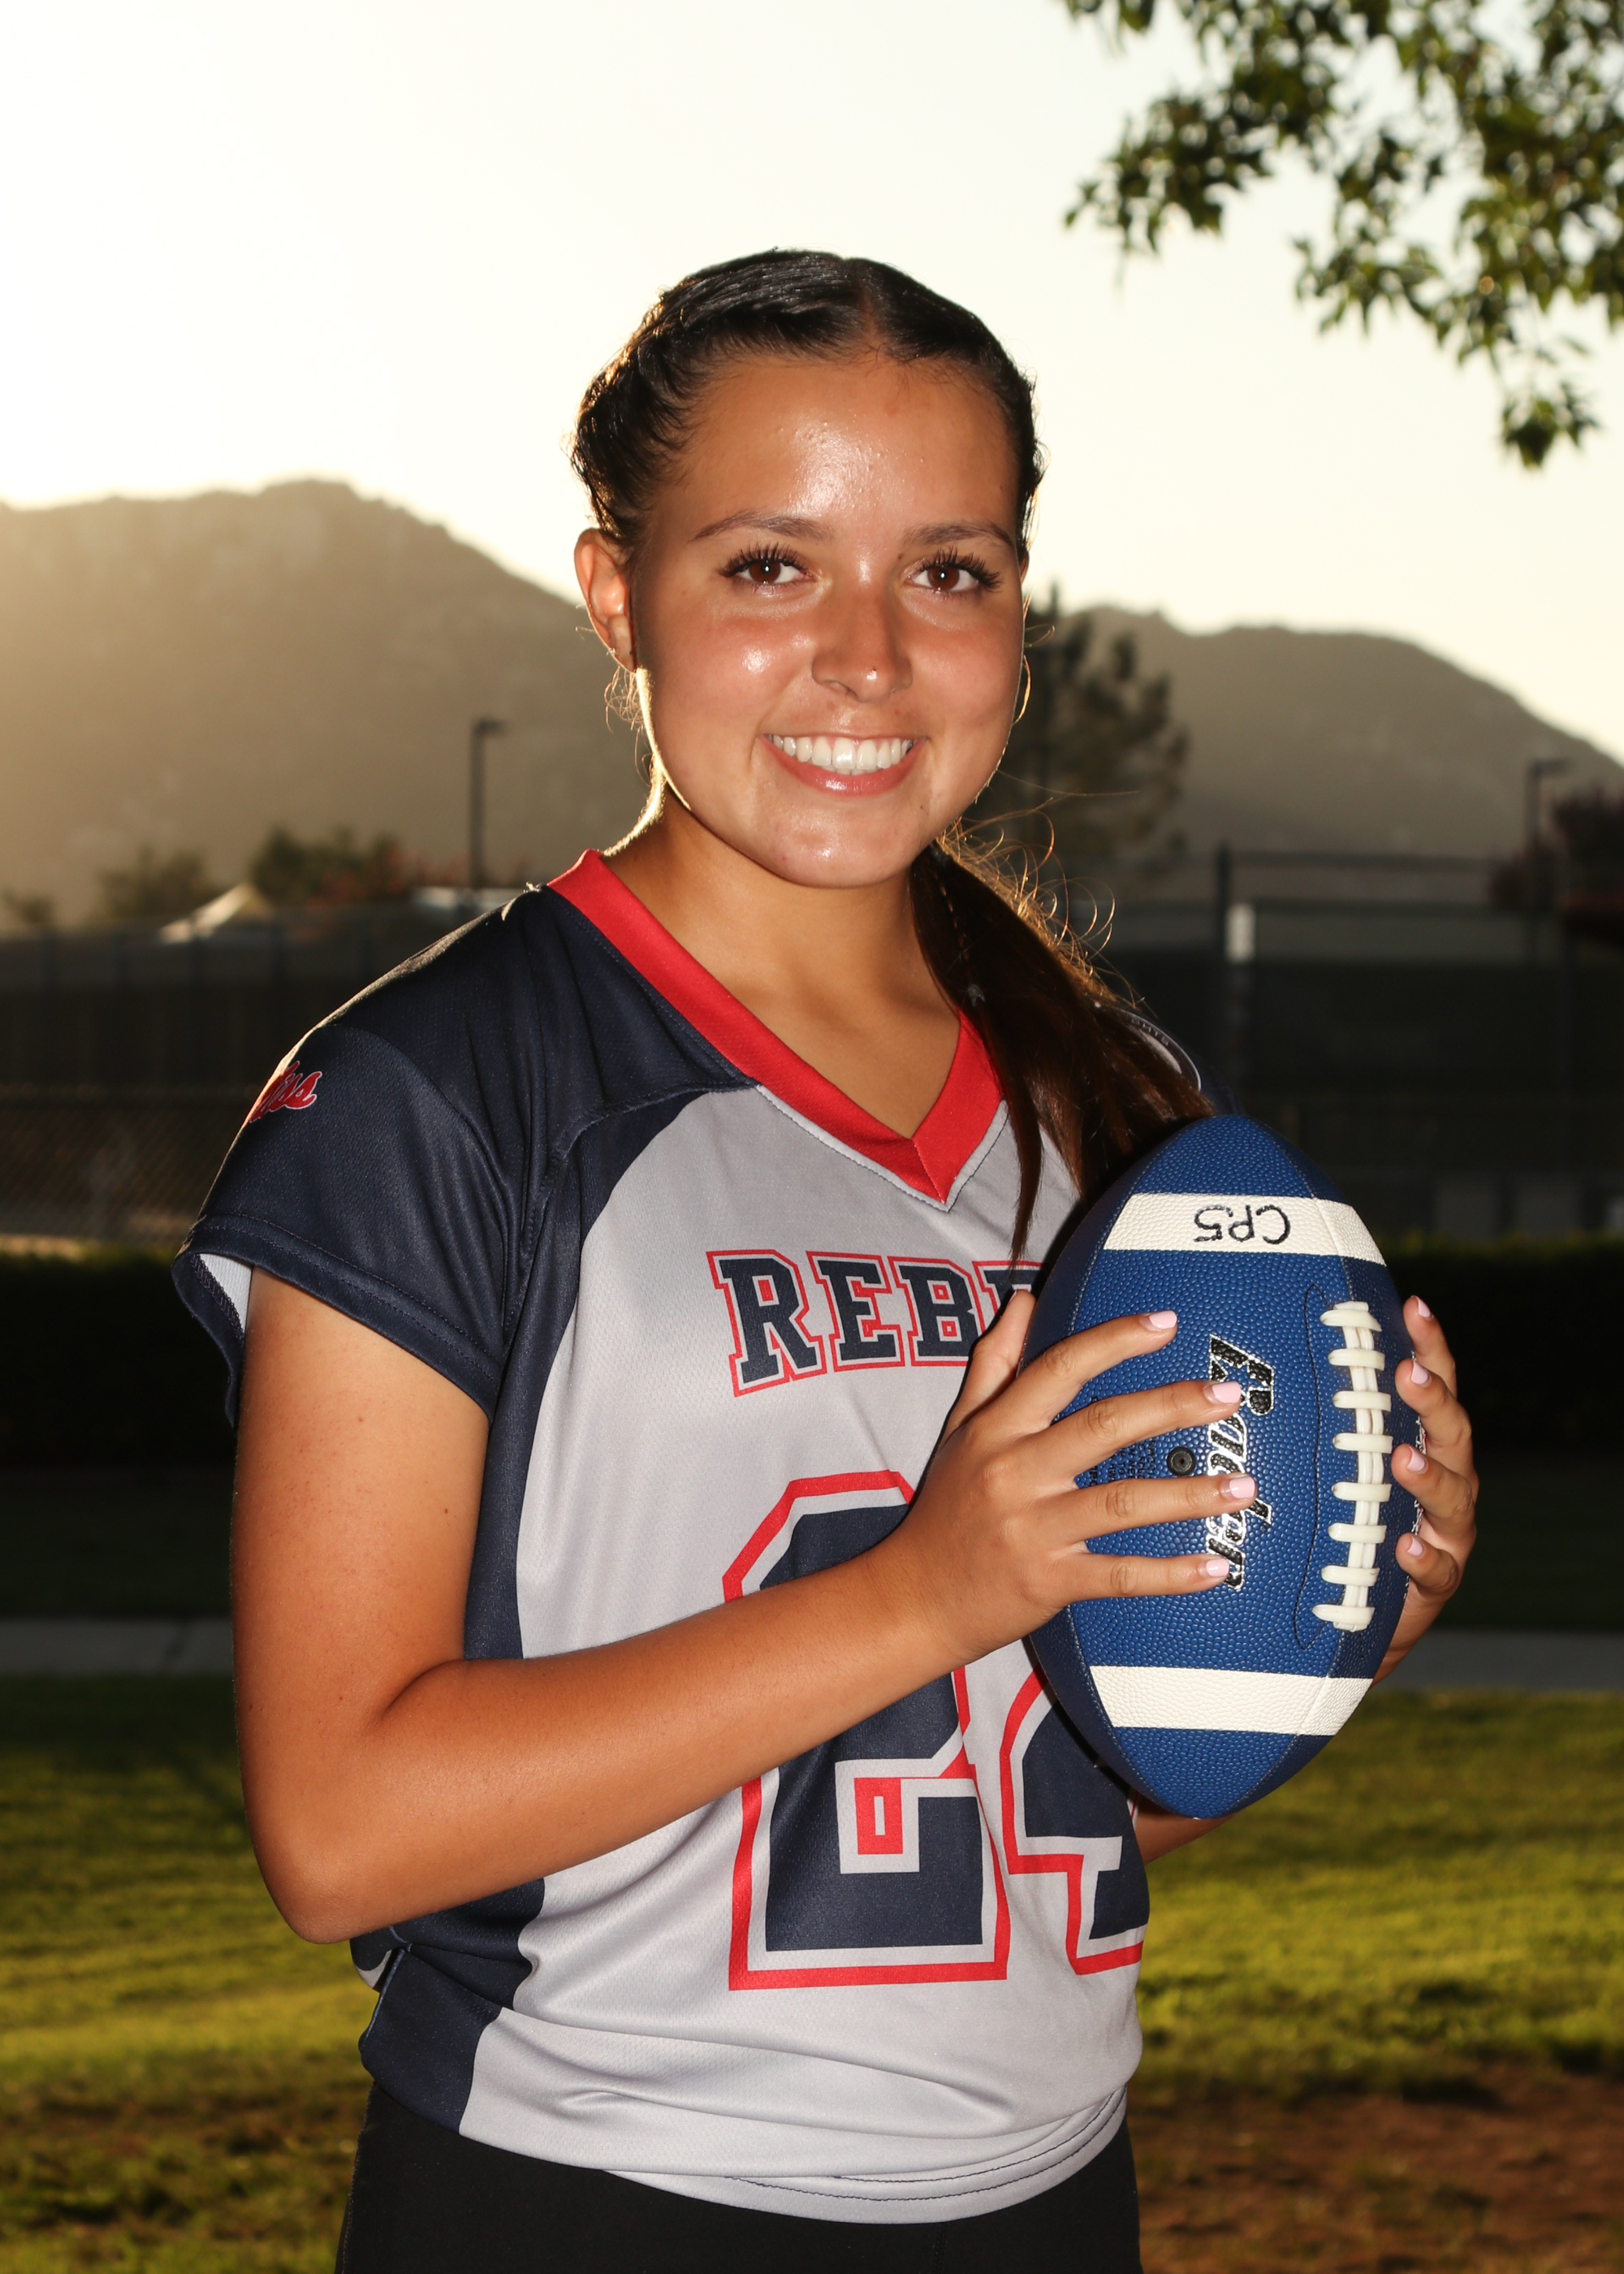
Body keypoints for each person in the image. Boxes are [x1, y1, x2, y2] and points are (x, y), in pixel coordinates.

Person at [174, 251, 1478, 2272]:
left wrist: (1323, 1618)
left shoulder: (1130, 1113)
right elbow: (338, 1827)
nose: (867, 656)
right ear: (618, 596)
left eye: (948, 571)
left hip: (1044, 2198)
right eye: (771, 565)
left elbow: (1053, 1812)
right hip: (585, 2203)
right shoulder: (441, 1091)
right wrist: (924, 1588)